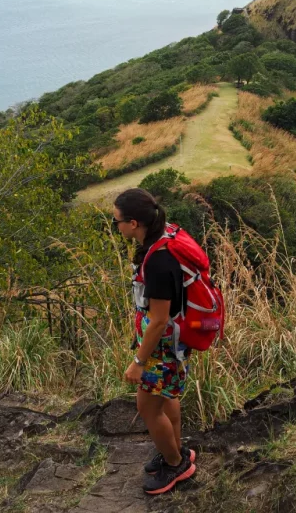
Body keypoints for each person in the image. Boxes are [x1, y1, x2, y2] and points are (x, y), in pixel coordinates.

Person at [114, 187, 196, 495]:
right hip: (169, 342)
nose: (116, 227)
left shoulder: (160, 262)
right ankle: (174, 452)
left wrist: (138, 362)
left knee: (147, 406)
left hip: (161, 345)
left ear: (133, 223)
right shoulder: (161, 239)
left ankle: (176, 464)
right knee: (165, 398)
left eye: (117, 222)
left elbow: (159, 319)